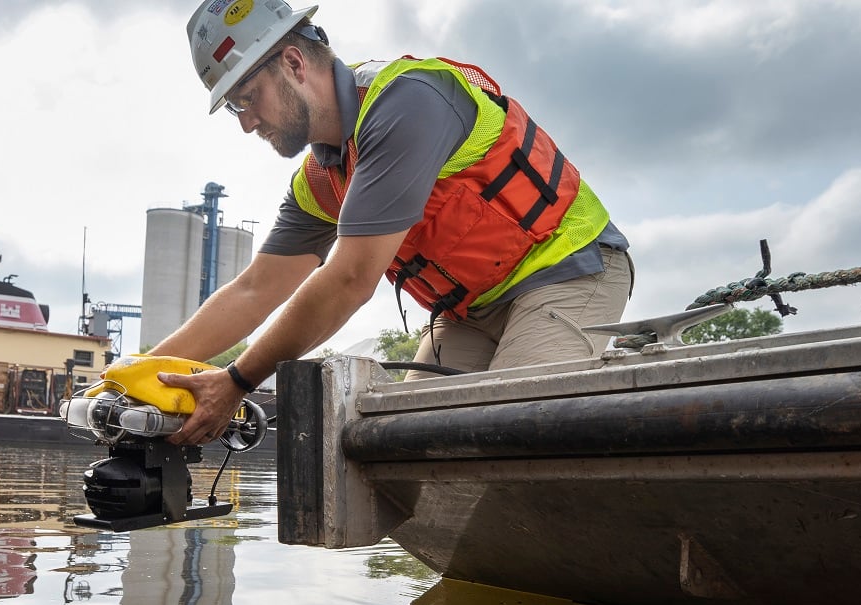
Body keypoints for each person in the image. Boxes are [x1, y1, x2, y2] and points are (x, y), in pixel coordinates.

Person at [152, 0, 633, 445]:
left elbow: (350, 280)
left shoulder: (407, 103)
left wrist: (237, 380)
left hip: (566, 267)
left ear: (294, 64)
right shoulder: (321, 181)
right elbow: (254, 290)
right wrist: (137, 373)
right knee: (406, 440)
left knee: (512, 429)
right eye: (235, 107)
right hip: (472, 310)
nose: (246, 123)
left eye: (247, 97)